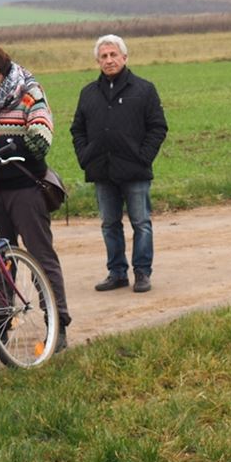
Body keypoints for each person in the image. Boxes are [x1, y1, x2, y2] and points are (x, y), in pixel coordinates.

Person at [0, 45, 71, 352]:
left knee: (41, 257)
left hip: (25, 190)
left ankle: (57, 325)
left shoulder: (30, 94)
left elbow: (40, 143)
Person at [70, 34, 168, 294]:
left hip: (135, 170)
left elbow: (158, 127)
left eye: (113, 54)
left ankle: (142, 272)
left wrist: (143, 156)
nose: (109, 60)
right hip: (102, 170)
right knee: (109, 224)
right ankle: (117, 273)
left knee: (141, 223)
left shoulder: (144, 90)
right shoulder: (88, 93)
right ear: (98, 61)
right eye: (104, 56)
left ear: (124, 57)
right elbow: (77, 130)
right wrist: (85, 156)